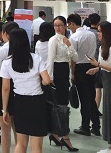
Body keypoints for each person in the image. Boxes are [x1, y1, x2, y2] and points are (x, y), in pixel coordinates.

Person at [1, 28, 51, 153]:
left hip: (19, 102)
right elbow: (47, 80)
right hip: (37, 102)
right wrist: (41, 82)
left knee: (21, 143)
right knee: (36, 146)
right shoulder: (36, 58)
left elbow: (6, 88)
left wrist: (5, 110)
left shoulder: (7, 62)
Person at [87, 21, 111, 153]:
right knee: (109, 113)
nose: (98, 34)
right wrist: (97, 69)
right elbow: (106, 65)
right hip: (107, 82)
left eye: (100, 31)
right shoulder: (103, 48)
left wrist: (98, 65)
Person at [46, 16, 78, 151]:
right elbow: (50, 59)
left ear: (65, 26)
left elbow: (75, 57)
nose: (58, 28)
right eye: (55, 25)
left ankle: (55, 134)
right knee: (60, 105)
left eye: (60, 25)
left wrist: (69, 45)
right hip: (57, 72)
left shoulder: (67, 39)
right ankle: (64, 136)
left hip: (65, 71)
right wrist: (50, 77)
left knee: (62, 104)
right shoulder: (53, 40)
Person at [0, 21, 19, 153]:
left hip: (3, 86)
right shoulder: (24, 48)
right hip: (19, 87)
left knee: (5, 128)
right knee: (18, 128)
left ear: (5, 34)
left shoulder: (3, 49)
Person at [67, 14, 100, 137]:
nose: (69, 28)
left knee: (83, 99)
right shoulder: (91, 35)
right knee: (91, 98)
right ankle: (96, 126)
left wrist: (72, 73)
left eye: (69, 25)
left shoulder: (74, 37)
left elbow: (73, 58)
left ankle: (85, 126)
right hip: (91, 66)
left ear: (72, 23)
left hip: (80, 68)